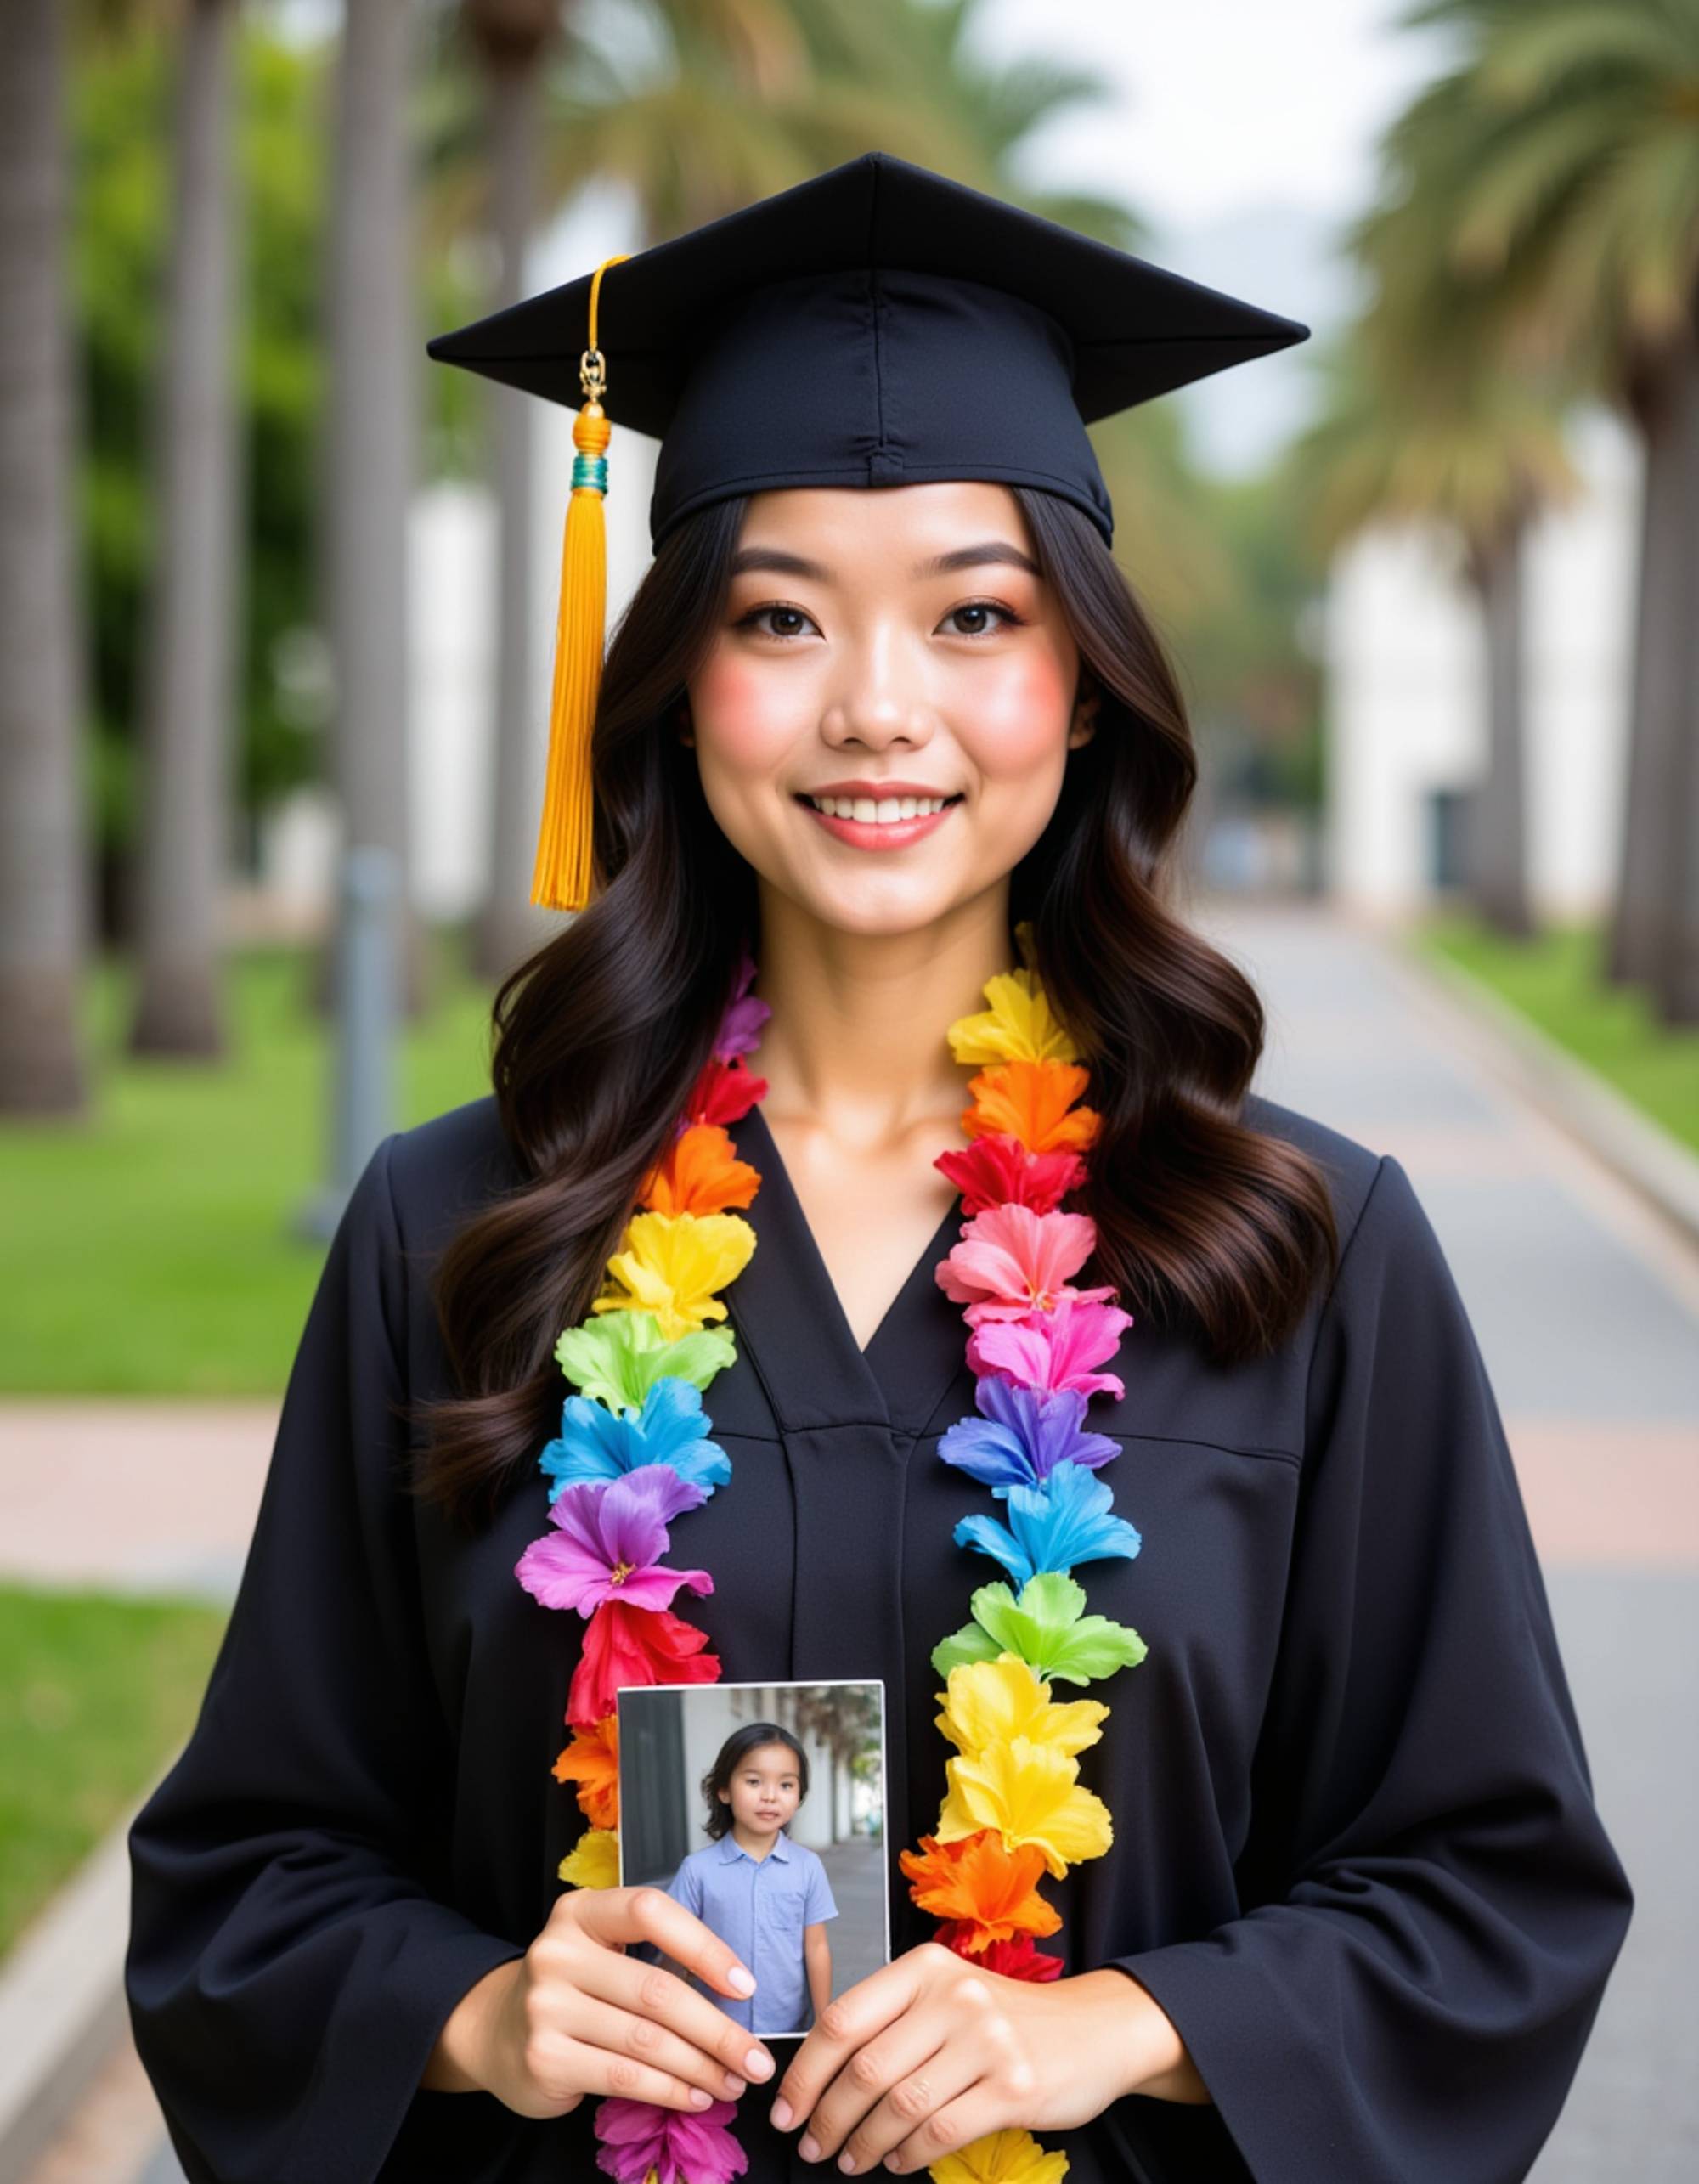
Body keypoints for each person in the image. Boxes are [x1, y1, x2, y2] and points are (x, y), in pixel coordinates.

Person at [124, 151, 1634, 2184]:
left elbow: (1486, 1892)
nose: (874, 707)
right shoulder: (466, 1224)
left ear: (1081, 684)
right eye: (777, 616)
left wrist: (1122, 2021)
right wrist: (478, 2014)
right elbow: (250, 1881)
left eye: (972, 613)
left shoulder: (1292, 1246)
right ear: (673, 682)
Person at [650, 1721, 839, 2038]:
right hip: (712, 2028)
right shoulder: (698, 1870)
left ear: (799, 1796)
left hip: (788, 2026)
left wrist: (823, 2023)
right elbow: (673, 1947)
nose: (770, 1796)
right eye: (753, 1782)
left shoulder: (809, 1867)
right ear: (723, 1790)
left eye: (786, 1785)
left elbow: (817, 1948)